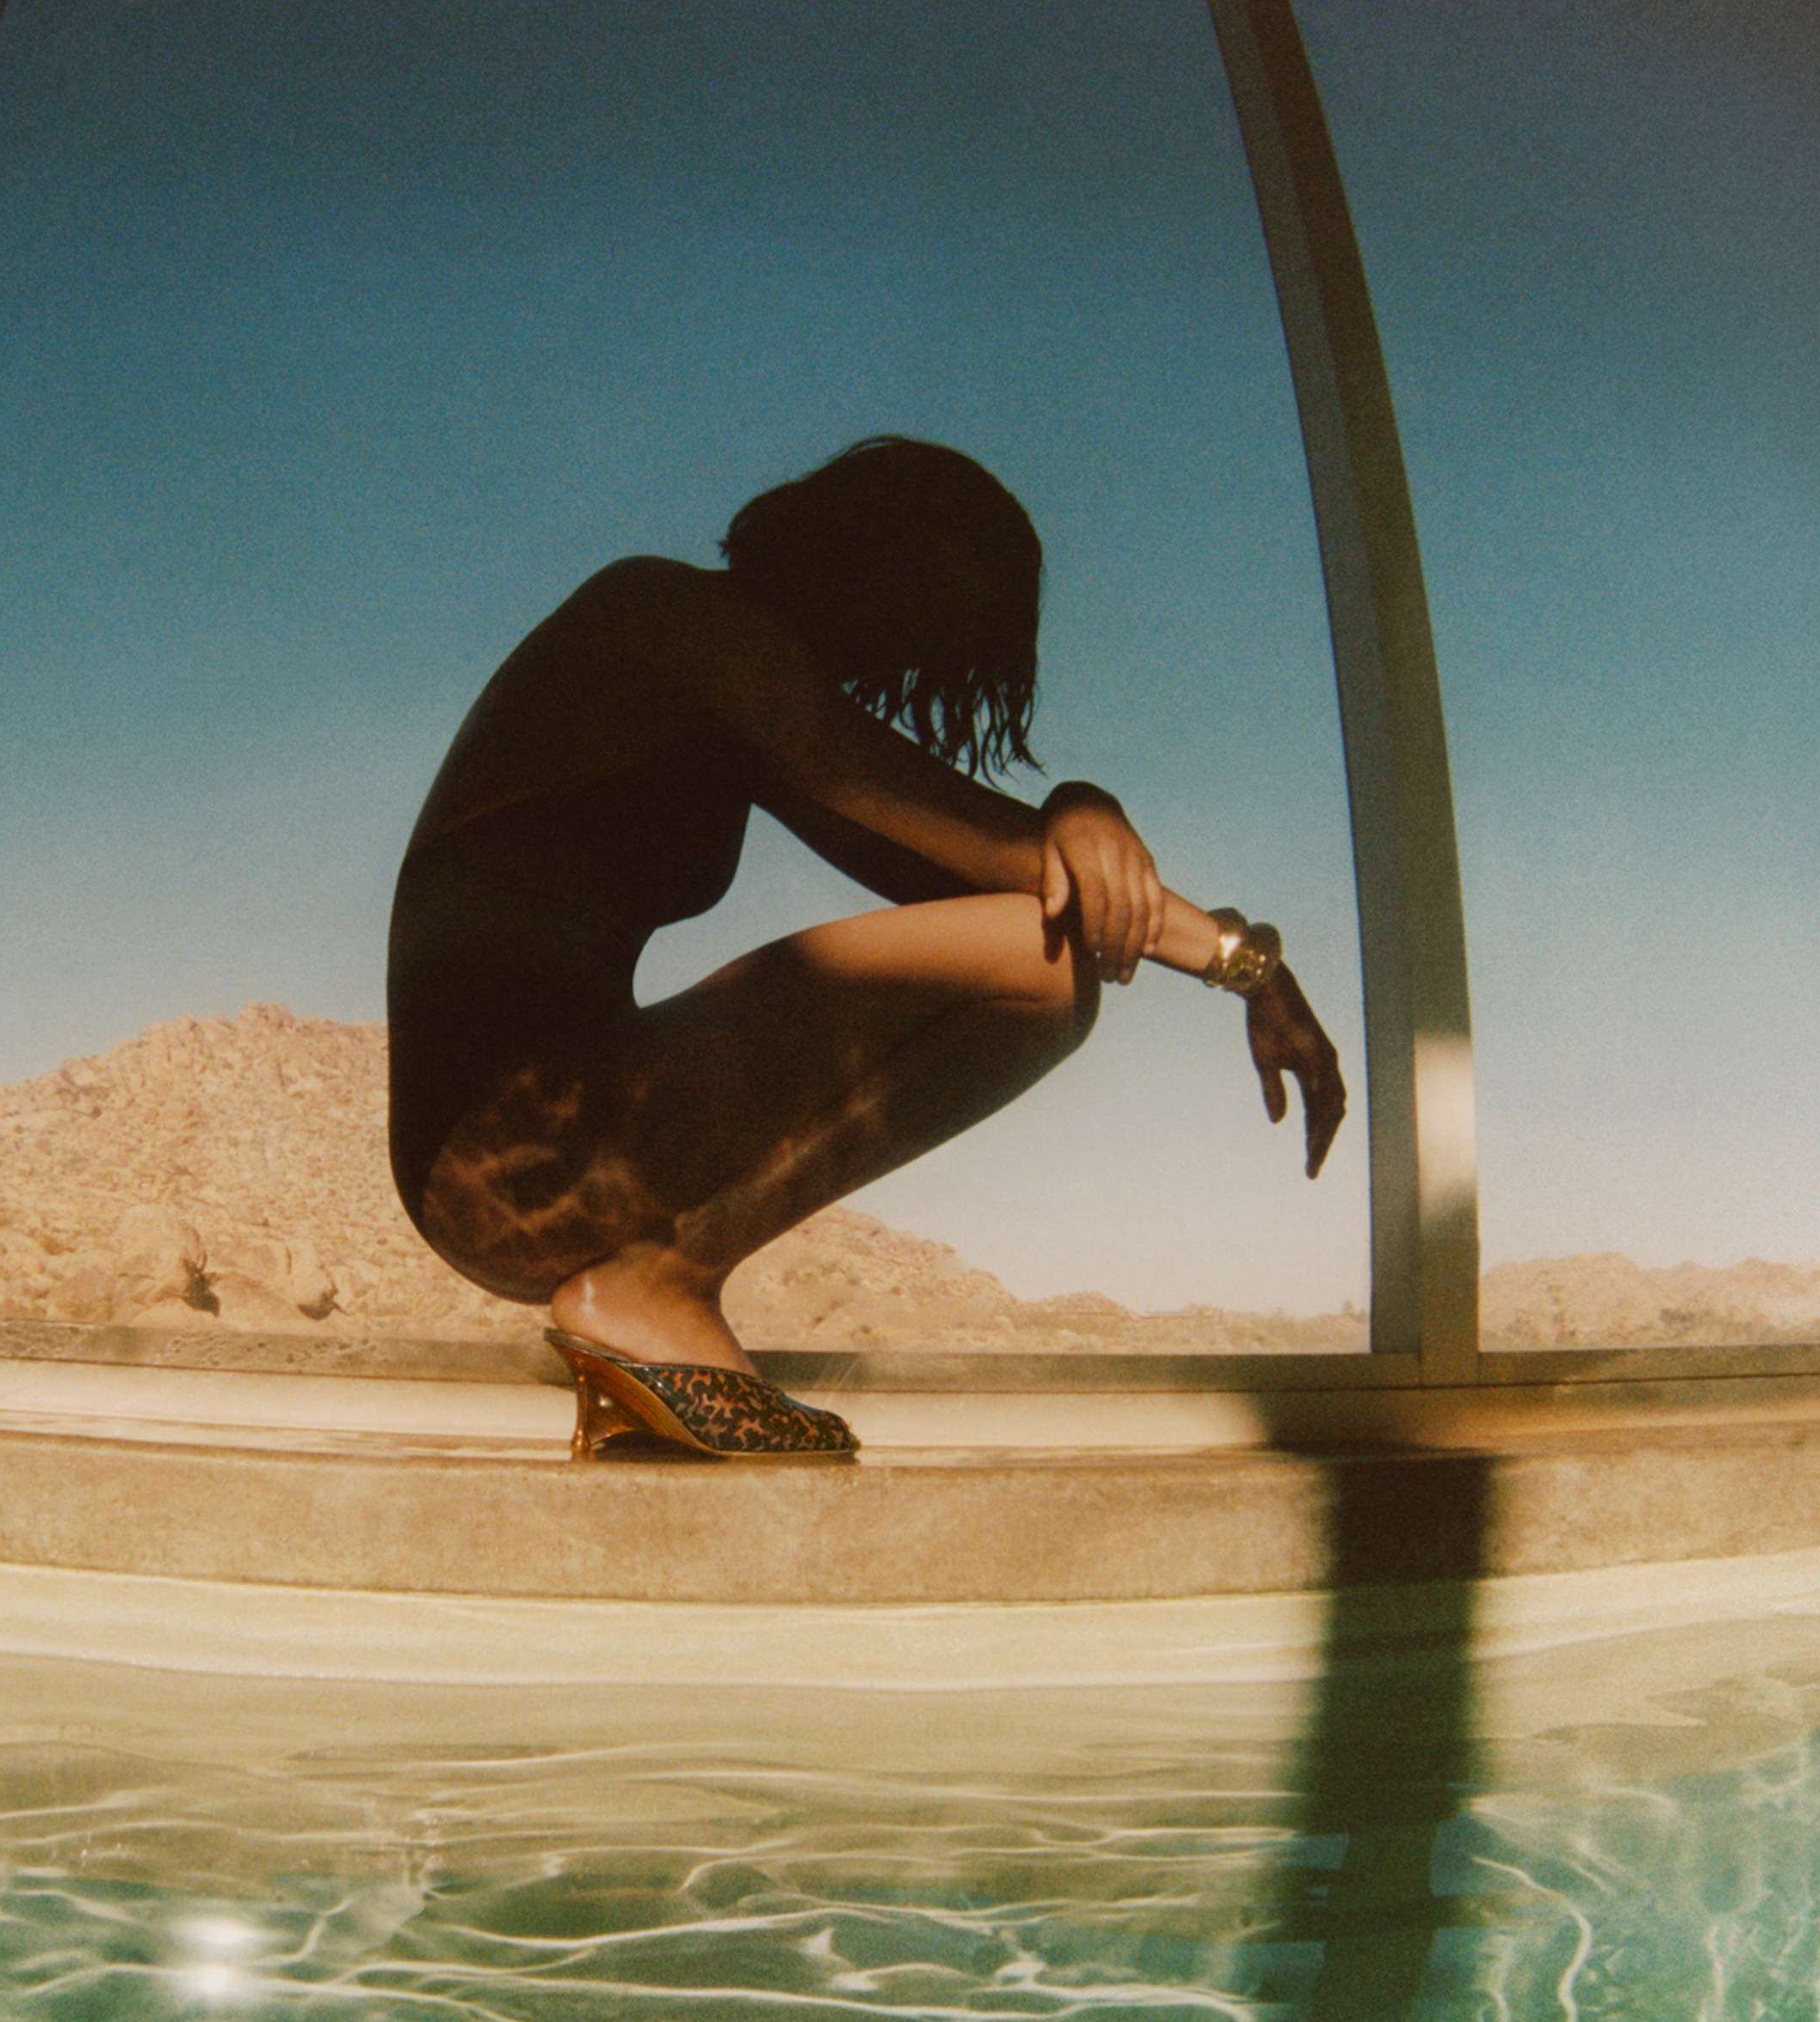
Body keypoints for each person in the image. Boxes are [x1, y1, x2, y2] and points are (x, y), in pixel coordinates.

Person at [388, 437, 1345, 1458]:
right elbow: (920, 809)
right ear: (855, 548)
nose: (916, 646)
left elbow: (986, 868)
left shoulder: (743, 719)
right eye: (926, 599)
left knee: (1043, 956)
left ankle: (655, 1300)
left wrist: (1086, 822)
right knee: (1044, 970)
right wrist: (1240, 962)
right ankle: (652, 1288)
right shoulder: (669, 614)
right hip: (512, 1147)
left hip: (532, 1159)